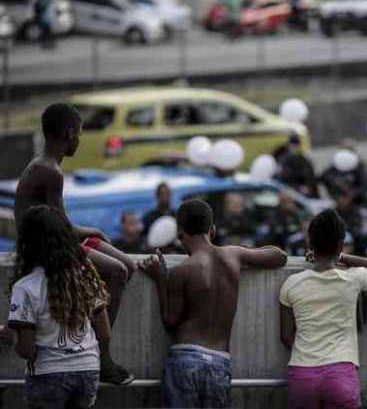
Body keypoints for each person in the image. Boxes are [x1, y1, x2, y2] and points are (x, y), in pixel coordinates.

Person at [12, 103, 134, 384]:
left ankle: (99, 350)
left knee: (128, 264)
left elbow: (61, 222)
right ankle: (101, 356)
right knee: (117, 272)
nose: (79, 139)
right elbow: (63, 227)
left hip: (56, 235)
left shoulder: (46, 163)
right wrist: (94, 231)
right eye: (78, 133)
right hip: (46, 246)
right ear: (68, 133)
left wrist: (94, 234)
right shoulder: (49, 171)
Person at [139, 199, 287, 408]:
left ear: (180, 232)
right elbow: (280, 256)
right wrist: (243, 251)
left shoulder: (183, 270)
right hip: (219, 362)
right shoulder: (233, 255)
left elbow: (170, 323)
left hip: (185, 359)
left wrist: (160, 279)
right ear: (213, 230)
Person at [279, 209, 367, 409]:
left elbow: (287, 337)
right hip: (341, 374)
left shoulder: (291, 284)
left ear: (310, 243)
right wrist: (343, 256)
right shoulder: (353, 279)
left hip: (302, 375)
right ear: (340, 243)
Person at [7, 206, 111, 409]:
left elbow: (26, 350)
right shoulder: (85, 278)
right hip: (88, 371)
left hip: (47, 375)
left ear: (28, 243)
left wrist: (12, 337)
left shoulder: (26, 287)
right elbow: (105, 334)